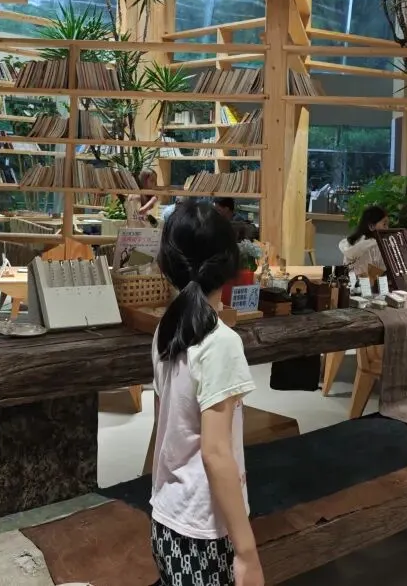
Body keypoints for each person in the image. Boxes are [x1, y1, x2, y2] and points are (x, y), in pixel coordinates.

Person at [150, 200, 263, 586]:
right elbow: (216, 453)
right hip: (204, 530)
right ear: (229, 263)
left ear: (168, 264)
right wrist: (247, 553)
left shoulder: (166, 329)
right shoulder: (221, 342)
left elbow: (163, 426)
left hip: (166, 516)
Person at [338, 205, 388, 276]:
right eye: (384, 224)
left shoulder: (351, 243)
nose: (387, 228)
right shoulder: (376, 245)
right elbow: (381, 274)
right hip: (373, 282)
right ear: (371, 226)